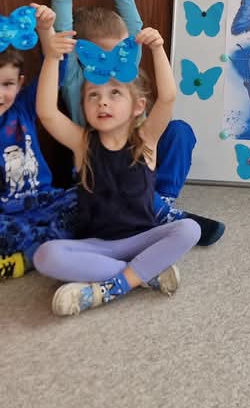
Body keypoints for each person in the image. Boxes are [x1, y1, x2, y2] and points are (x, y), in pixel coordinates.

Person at [48, 0, 224, 245]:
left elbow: (135, 30)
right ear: (83, 55)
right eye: (102, 56)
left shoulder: (128, 69)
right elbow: (63, 33)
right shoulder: (76, 80)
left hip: (141, 156)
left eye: (119, 53)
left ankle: (161, 203)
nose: (113, 64)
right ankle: (154, 210)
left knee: (180, 131)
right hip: (100, 163)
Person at [32, 20, 201, 316]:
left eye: (115, 94)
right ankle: (142, 274)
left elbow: (168, 98)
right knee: (45, 256)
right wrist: (51, 57)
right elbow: (47, 113)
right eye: (93, 95)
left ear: (138, 106)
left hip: (142, 239)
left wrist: (158, 49)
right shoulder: (83, 144)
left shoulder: (146, 140)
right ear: (84, 106)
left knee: (189, 229)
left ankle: (113, 286)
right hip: (97, 244)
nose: (103, 103)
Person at [0, 0, 80, 290]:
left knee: (93, 200)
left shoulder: (23, 107)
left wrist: (46, 29)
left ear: (20, 83)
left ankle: (21, 260)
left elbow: (55, 71)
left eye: (7, 84)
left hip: (43, 202)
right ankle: (44, 249)